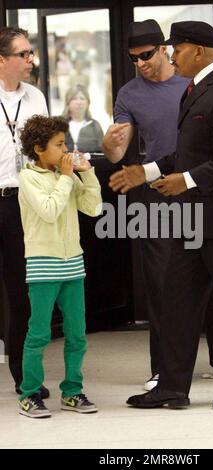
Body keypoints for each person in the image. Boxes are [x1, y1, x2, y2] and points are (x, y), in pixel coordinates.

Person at [109, 21, 213, 410]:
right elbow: (186, 155)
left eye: (175, 48)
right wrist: (143, 172)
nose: (171, 55)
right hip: (193, 220)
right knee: (177, 301)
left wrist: (188, 181)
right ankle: (172, 386)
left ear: (198, 50)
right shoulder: (194, 90)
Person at [102, 19, 190, 391]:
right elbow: (118, 150)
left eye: (147, 55)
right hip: (156, 197)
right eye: (134, 58)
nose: (140, 63)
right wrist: (110, 144)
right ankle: (163, 368)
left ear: (165, 49)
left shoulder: (192, 84)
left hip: (198, 188)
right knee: (160, 284)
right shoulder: (129, 94)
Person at [17, 115, 102, 418]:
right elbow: (50, 211)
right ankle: (29, 395)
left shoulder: (64, 176)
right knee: (39, 334)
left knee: (77, 334)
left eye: (65, 143)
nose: (66, 150)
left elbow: (93, 208)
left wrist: (87, 174)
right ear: (39, 148)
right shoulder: (28, 178)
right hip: (43, 266)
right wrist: (67, 177)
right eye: (59, 144)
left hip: (73, 265)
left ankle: (72, 391)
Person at [0, 26, 49, 398]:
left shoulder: (35, 98)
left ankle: (25, 377)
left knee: (23, 292)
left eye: (30, 53)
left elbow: (43, 151)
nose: (31, 60)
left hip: (23, 203)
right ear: (3, 59)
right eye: (24, 54)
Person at [62, 85, 104, 154]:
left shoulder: (95, 125)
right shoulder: (60, 124)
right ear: (67, 102)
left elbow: (101, 151)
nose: (79, 102)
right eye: (74, 98)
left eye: (82, 98)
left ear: (88, 103)